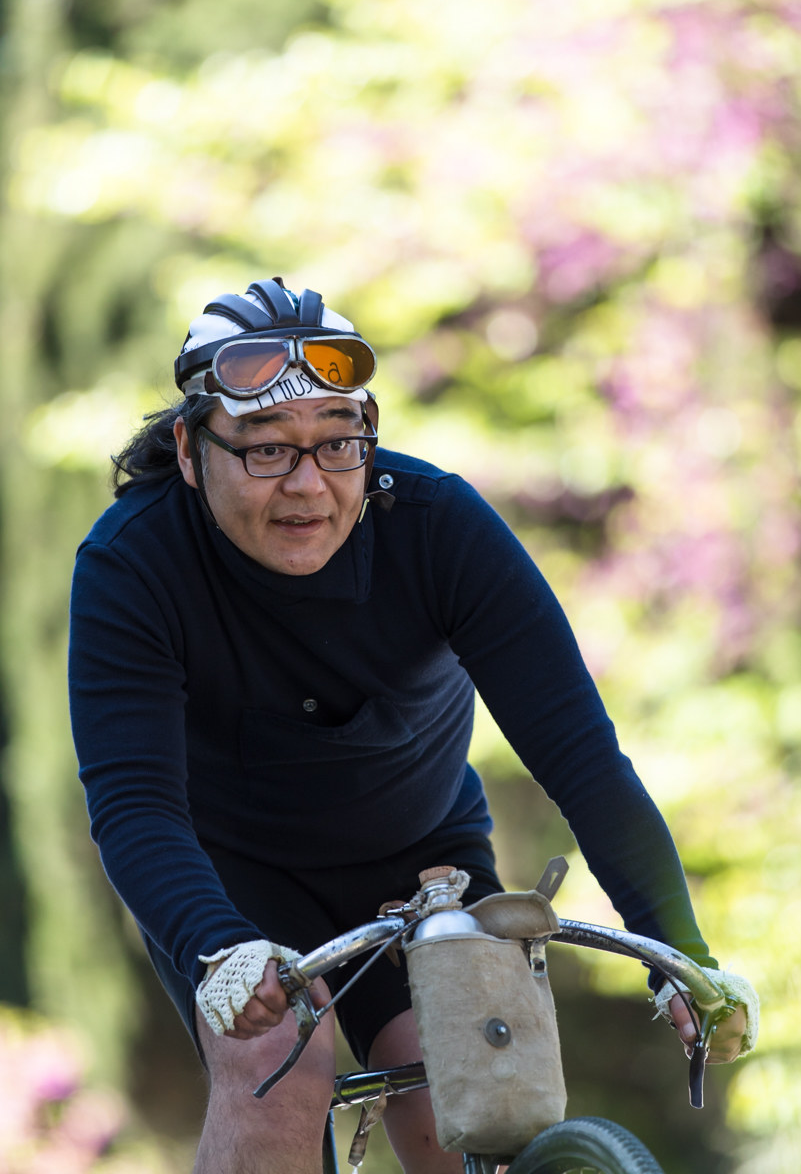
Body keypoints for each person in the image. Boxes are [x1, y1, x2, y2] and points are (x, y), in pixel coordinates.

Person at [69, 277, 756, 1174]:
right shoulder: (130, 563)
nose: (308, 485)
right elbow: (134, 808)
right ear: (192, 451)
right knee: (277, 1063)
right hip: (228, 880)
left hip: (419, 860)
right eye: (267, 452)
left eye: (336, 445)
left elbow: (583, 761)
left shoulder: (438, 527)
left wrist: (681, 951)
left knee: (476, 1087)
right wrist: (218, 949)